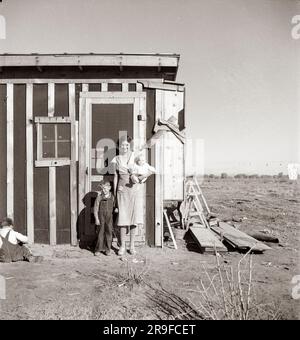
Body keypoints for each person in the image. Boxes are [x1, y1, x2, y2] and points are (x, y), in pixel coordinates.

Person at [111, 136, 142, 256]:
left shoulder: (135, 157)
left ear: (130, 146)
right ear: (119, 146)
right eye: (122, 145)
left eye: (127, 145)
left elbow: (143, 171)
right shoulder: (116, 159)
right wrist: (115, 192)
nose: (125, 147)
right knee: (122, 218)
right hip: (122, 190)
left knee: (133, 218)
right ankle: (122, 246)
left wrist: (138, 179)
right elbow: (115, 177)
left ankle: (132, 245)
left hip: (134, 190)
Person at [93, 180, 115, 256]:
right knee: (100, 233)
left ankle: (107, 249)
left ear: (109, 188)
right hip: (101, 218)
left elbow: (115, 207)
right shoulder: (99, 198)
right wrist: (96, 219)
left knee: (109, 232)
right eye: (102, 189)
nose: (103, 190)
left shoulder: (112, 197)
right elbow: (95, 209)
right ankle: (98, 249)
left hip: (109, 218)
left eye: (105, 189)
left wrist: (116, 210)